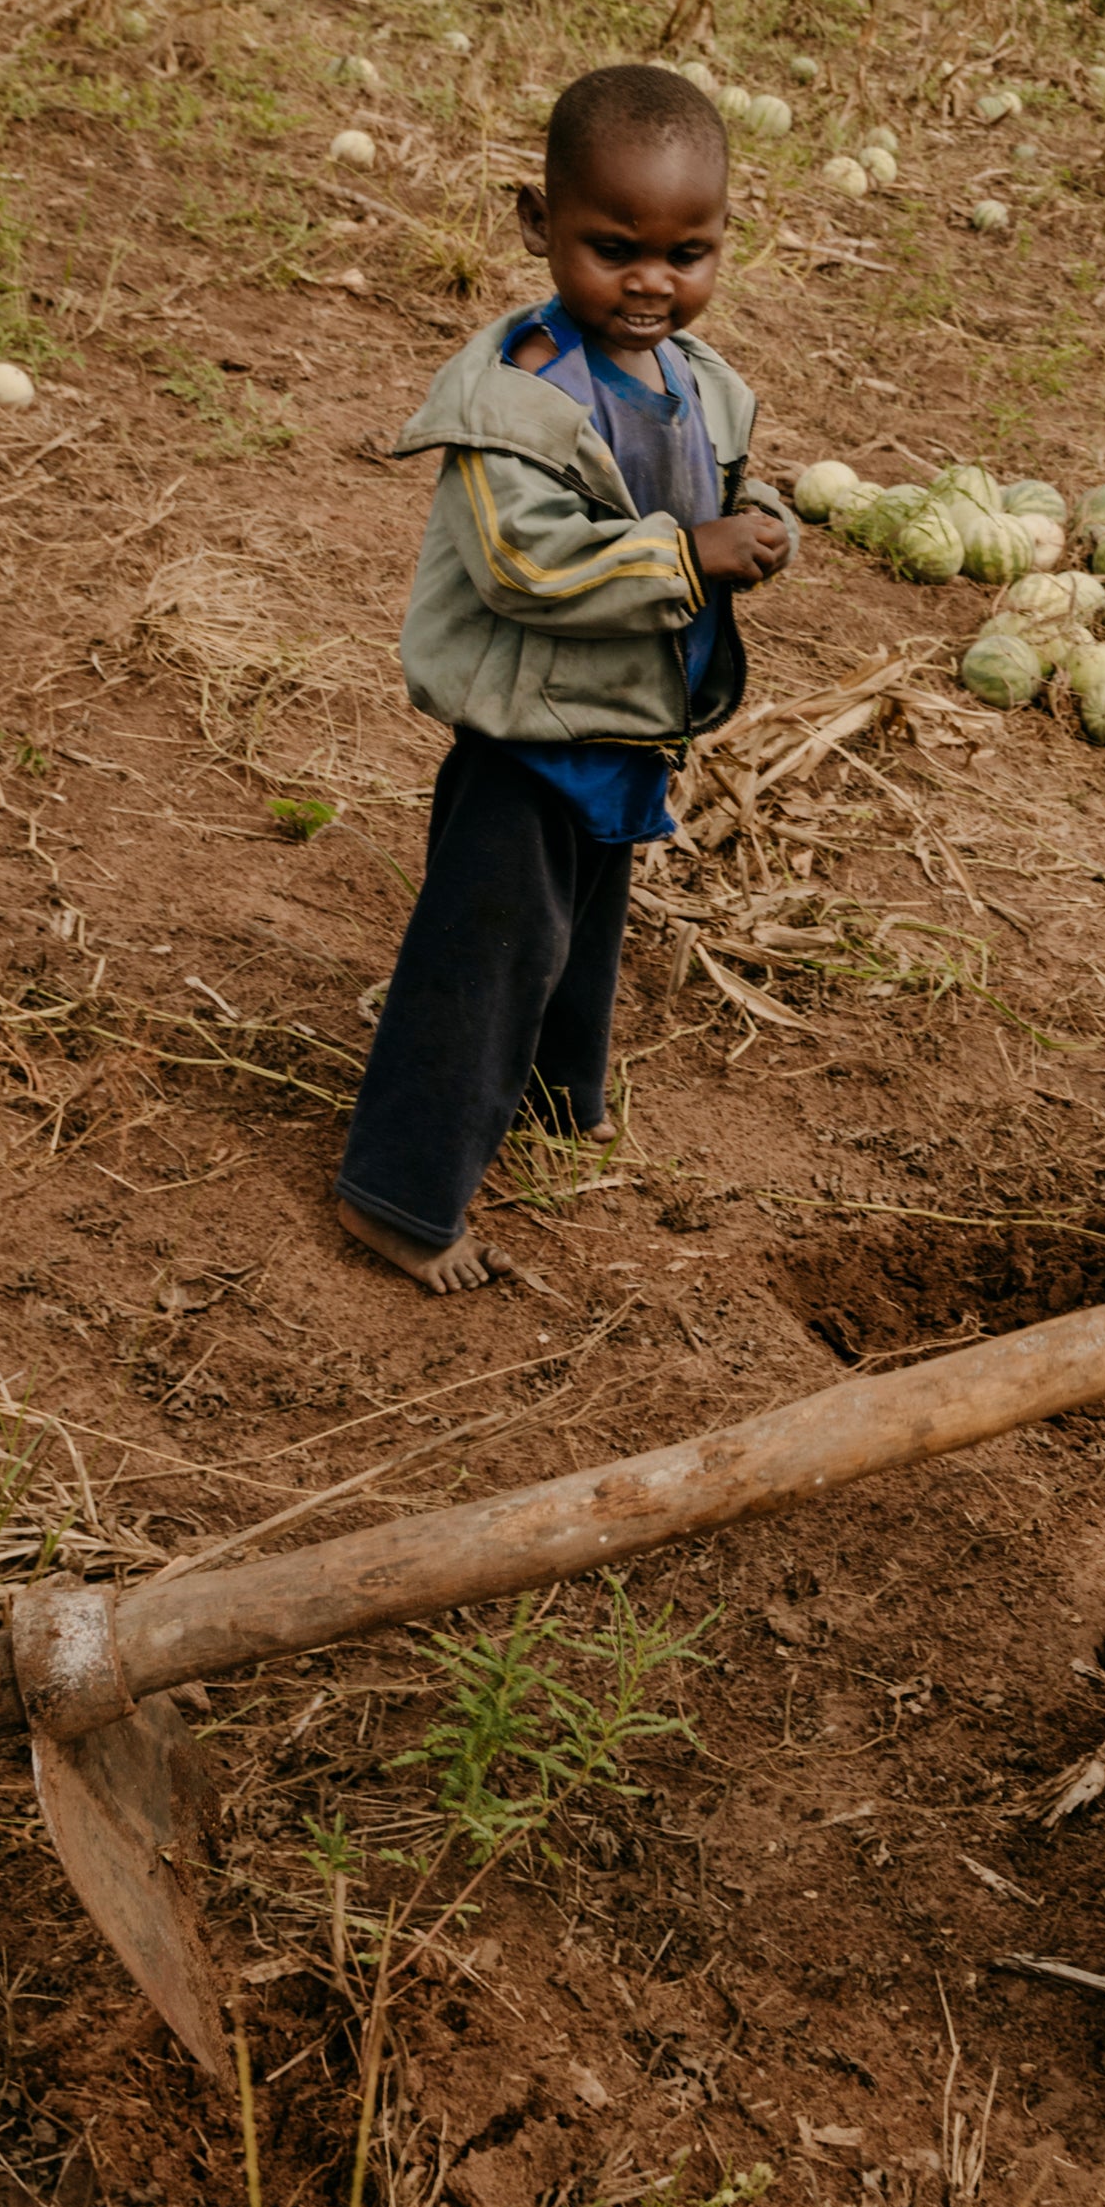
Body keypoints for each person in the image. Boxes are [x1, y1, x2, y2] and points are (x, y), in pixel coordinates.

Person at [332, 63, 796, 1293]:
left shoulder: (695, 381)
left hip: (623, 717)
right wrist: (691, 553)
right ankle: (402, 1192)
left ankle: (550, 1094)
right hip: (525, 731)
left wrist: (753, 519)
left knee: (586, 921)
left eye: (687, 252)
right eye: (612, 247)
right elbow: (522, 567)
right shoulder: (517, 397)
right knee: (482, 954)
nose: (652, 281)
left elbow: (714, 482)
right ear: (538, 226)